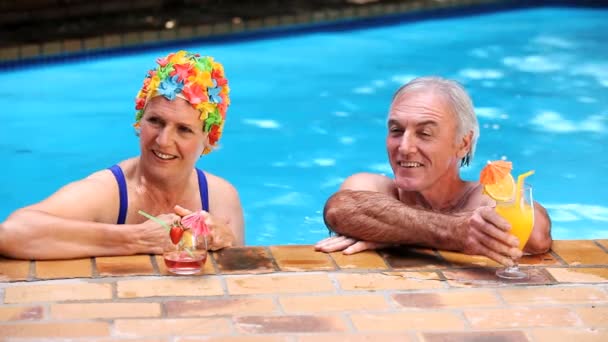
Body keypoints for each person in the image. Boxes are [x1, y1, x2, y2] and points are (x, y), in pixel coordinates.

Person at [0, 50, 244, 260]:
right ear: (140, 121)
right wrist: (137, 239)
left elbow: (238, 285)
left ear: (208, 139)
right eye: (155, 121)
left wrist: (226, 239)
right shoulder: (110, 192)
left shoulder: (219, 197)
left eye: (184, 129)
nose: (163, 140)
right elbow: (11, 233)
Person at [315, 76, 551, 266]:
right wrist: (455, 233)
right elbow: (340, 210)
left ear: (463, 143)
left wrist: (393, 235)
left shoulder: (485, 195)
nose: (405, 147)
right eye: (396, 130)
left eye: (425, 134)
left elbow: (537, 237)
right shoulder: (370, 187)